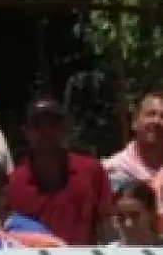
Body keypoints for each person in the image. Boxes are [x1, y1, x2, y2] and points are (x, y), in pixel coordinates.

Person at [7, 96, 112, 246]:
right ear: (26, 131)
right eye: (37, 125)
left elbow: (105, 226)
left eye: (53, 124)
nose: (46, 131)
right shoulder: (13, 182)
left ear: (65, 128)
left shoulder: (92, 171)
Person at [104, 91, 163, 195]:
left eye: (162, 116)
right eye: (151, 114)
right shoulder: (109, 172)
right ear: (135, 122)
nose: (157, 121)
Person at [113, 180, 161, 246]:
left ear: (152, 215)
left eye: (135, 215)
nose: (128, 224)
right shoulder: (104, 253)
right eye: (120, 217)